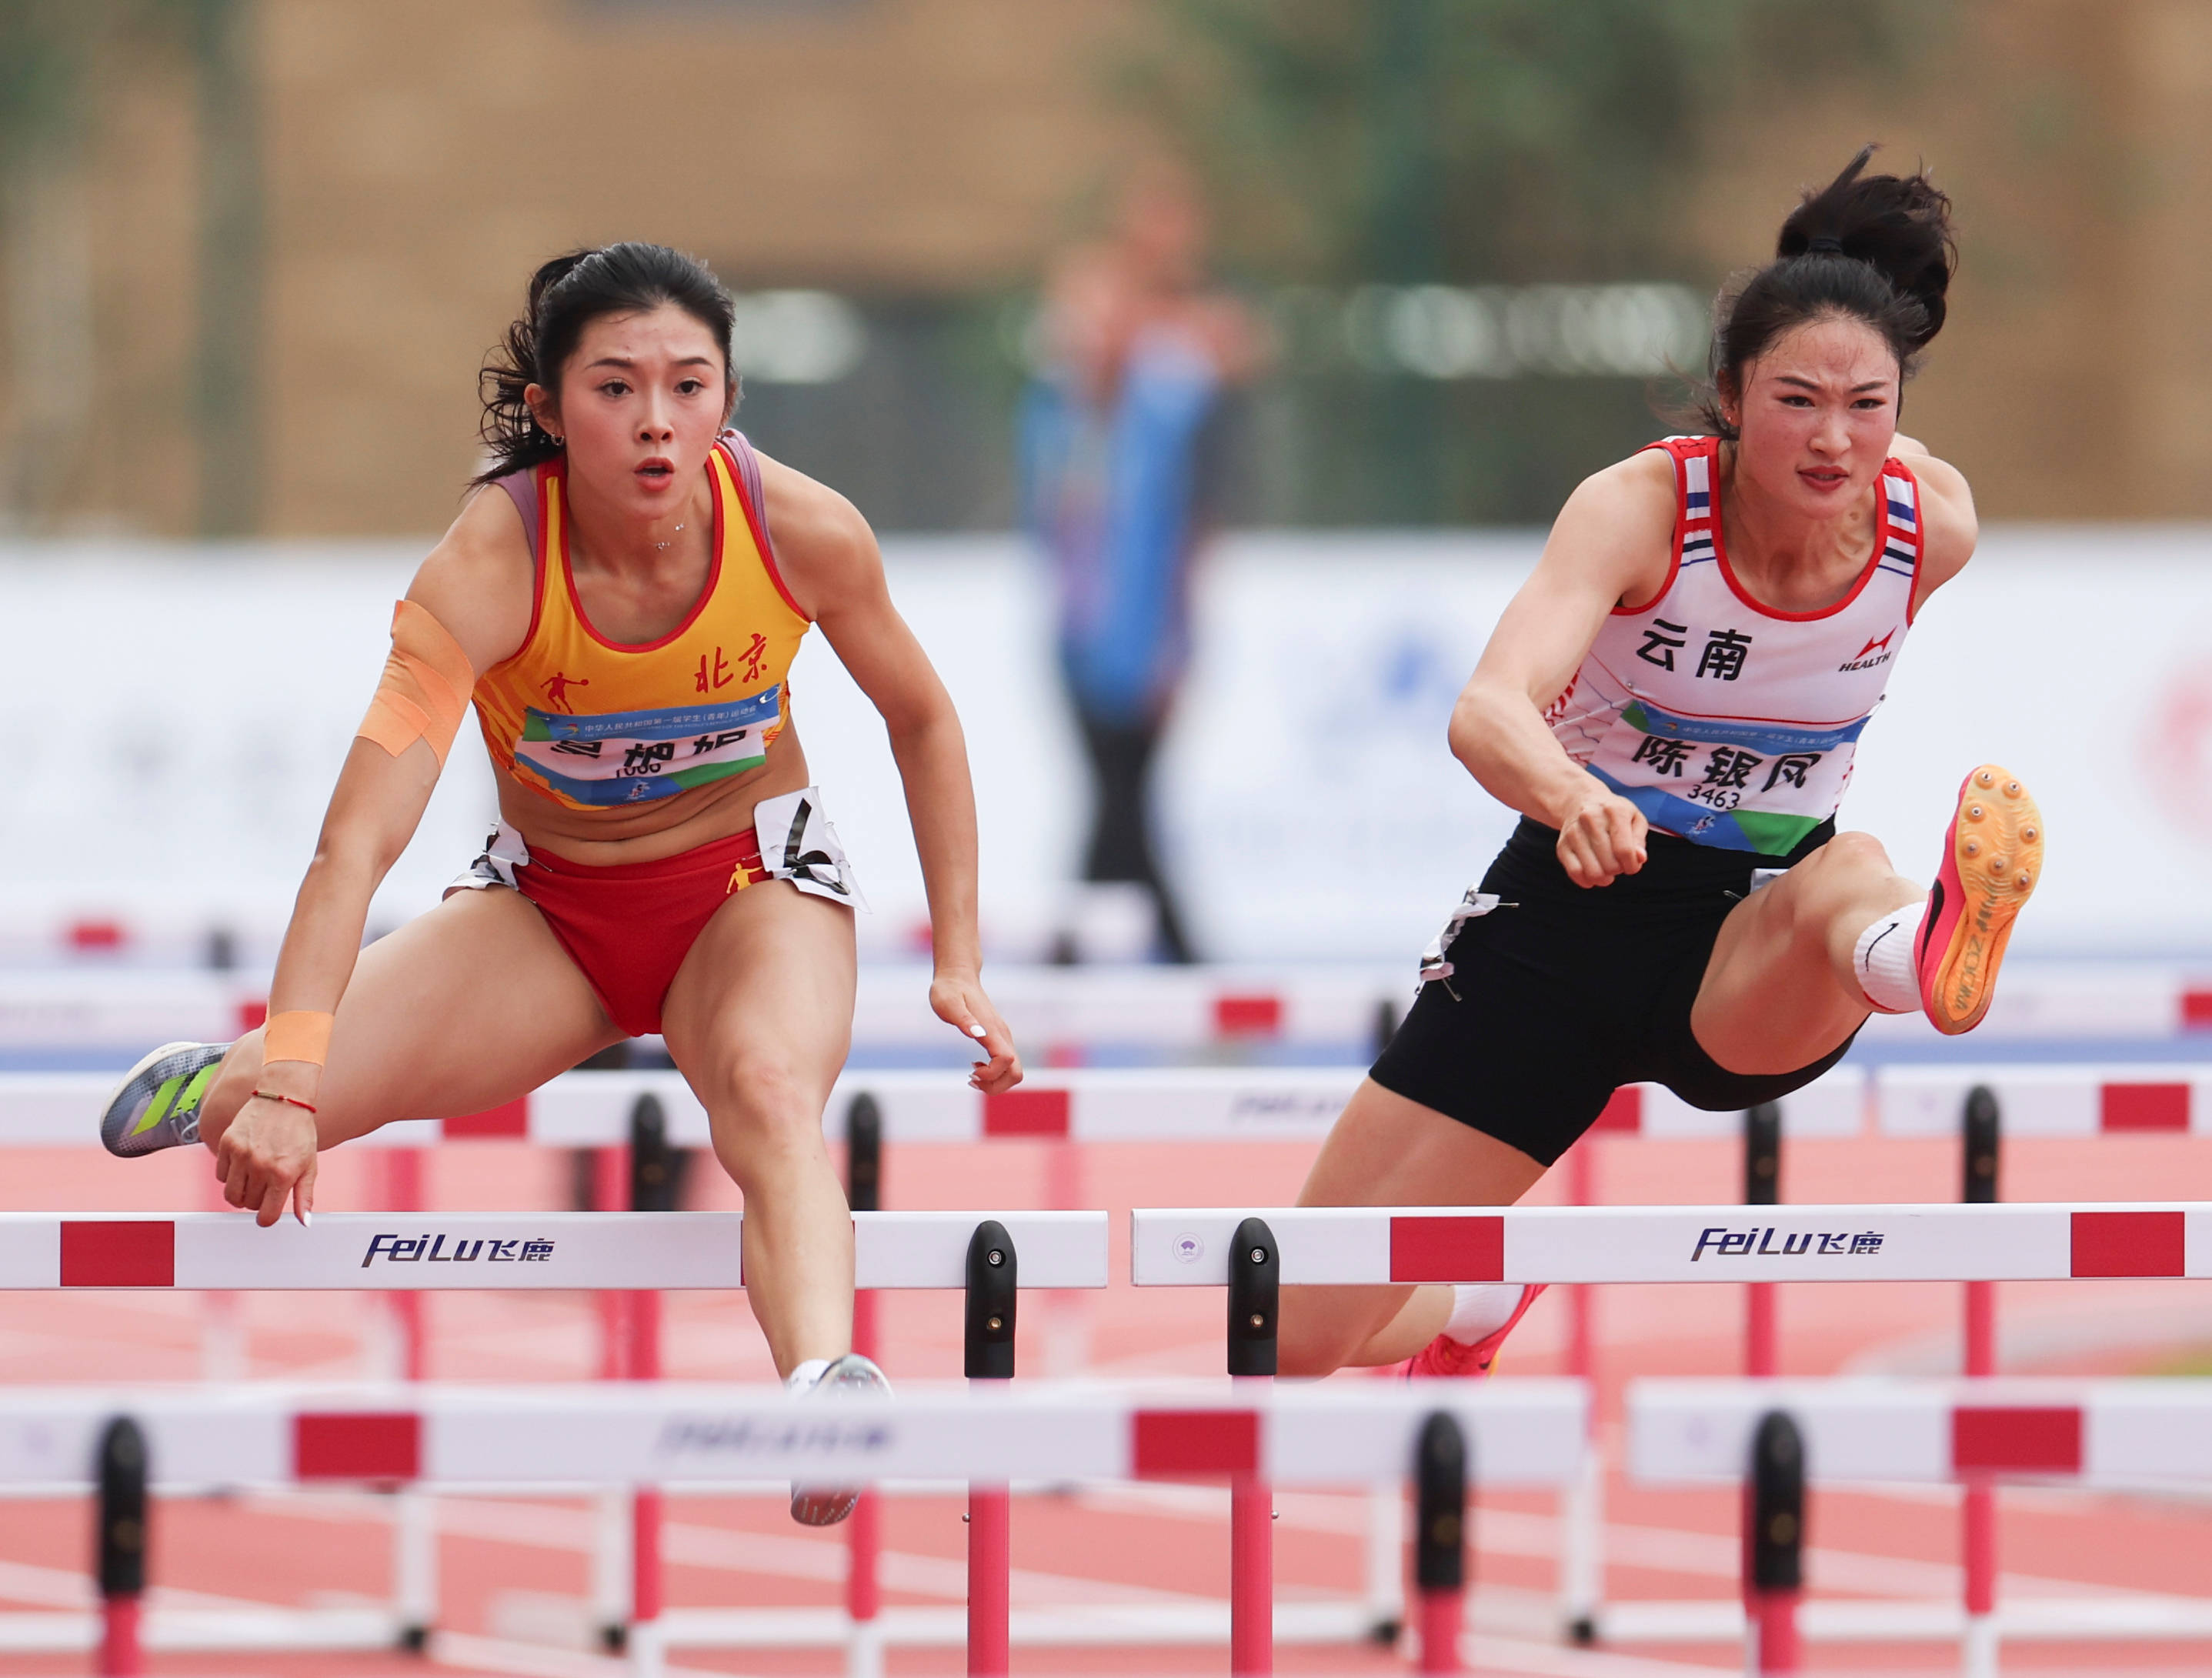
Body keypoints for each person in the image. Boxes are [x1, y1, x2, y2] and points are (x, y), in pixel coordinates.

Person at [98, 244, 1023, 1522]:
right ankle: (224, 1071)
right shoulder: (482, 571)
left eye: (689, 386)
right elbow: (353, 844)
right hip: (552, 917)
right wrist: (294, 1083)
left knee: (766, 1094)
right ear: (545, 408)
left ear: (729, 400)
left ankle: (823, 1389)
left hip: (751, 894)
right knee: (257, 1120)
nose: (656, 421)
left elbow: (925, 719)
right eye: (615, 387)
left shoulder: (800, 530)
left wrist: (958, 956)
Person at [1276, 149, 2042, 1379]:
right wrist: (1573, 793)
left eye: (1867, 404)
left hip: (1749, 943)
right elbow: (1487, 707)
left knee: (1848, 870)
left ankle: (1922, 952)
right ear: (1728, 398)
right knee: (1284, 1334)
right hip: (1564, 919)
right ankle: (1473, 1301)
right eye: (1796, 400)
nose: (1833, 442)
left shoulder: (1925, 528)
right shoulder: (1641, 510)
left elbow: (1872, 435)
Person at [1019, 165, 1265, 962]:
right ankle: (1149, 964)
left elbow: (1188, 530)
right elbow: (1053, 526)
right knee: (1116, 806)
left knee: (1122, 808)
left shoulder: (1168, 411)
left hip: (1147, 639)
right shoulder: (1053, 416)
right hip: (1077, 637)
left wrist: (1174, 646)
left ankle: (1100, 961)